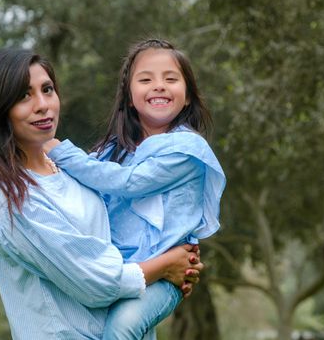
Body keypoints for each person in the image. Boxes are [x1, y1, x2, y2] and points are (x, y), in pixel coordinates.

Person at [0, 47, 204, 339]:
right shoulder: (9, 199)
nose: (43, 105)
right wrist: (166, 265)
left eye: (47, 89)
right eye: (23, 96)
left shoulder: (69, 169)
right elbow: (99, 283)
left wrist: (178, 251)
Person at [45, 38, 226, 339]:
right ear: (130, 97)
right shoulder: (111, 151)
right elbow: (85, 185)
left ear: (189, 96)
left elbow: (129, 183)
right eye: (146, 79)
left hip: (165, 277)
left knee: (123, 327)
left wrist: (61, 152)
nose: (159, 86)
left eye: (171, 79)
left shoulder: (187, 151)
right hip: (118, 269)